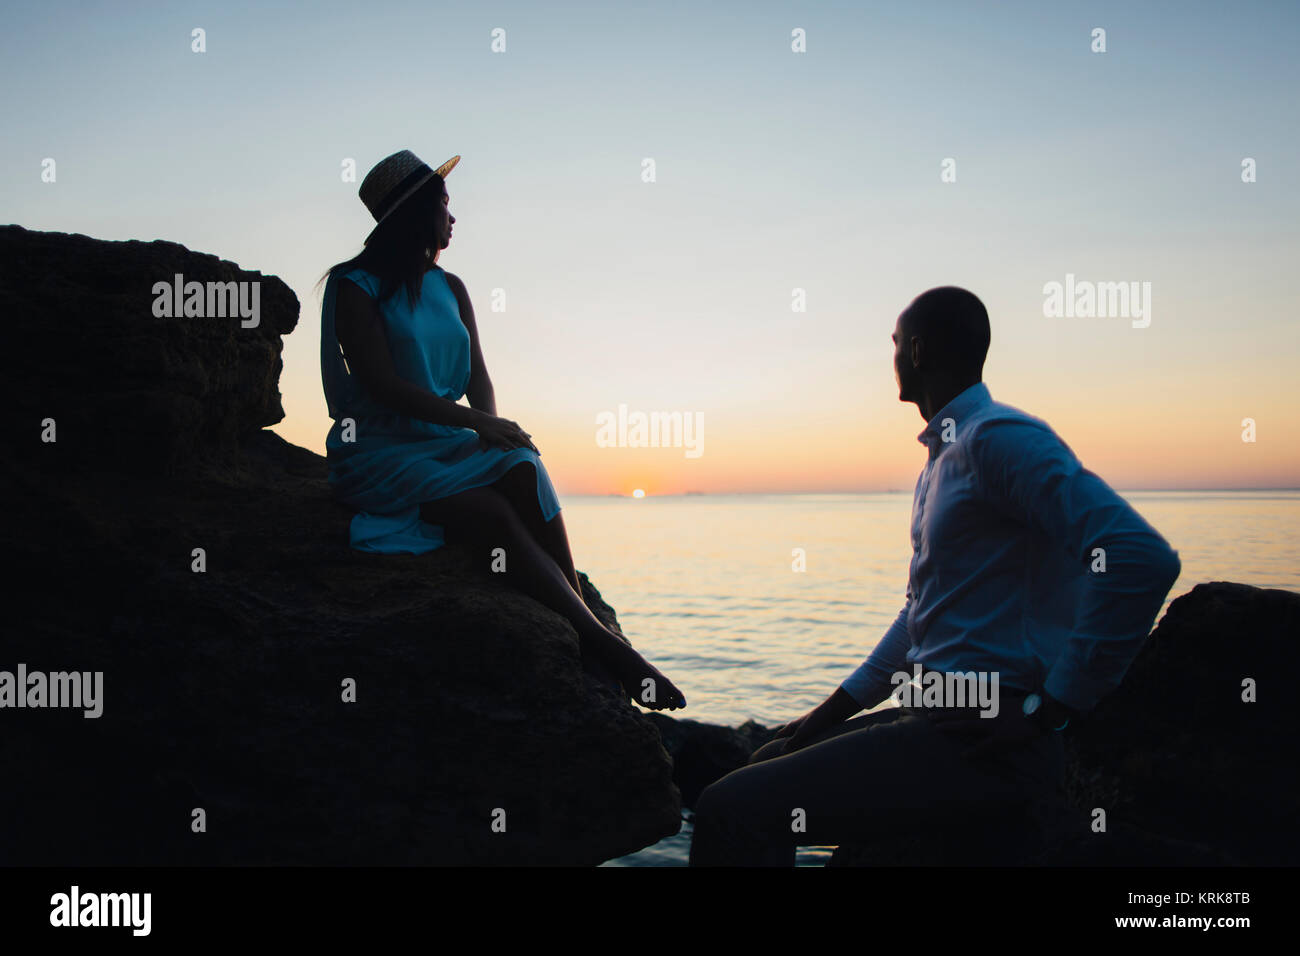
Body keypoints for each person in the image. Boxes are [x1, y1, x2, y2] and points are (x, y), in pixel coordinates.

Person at [689, 286, 1181, 865]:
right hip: (935, 714)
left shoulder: (998, 439)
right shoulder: (943, 460)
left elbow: (1139, 556)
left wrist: (1049, 710)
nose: (892, 356)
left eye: (896, 344)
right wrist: (823, 717)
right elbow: (917, 615)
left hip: (979, 737)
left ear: (918, 351)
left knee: (730, 808)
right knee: (764, 760)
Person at [316, 149, 685, 711]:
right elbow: (383, 386)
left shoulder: (452, 286)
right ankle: (606, 647)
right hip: (381, 447)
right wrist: (478, 422)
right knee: (490, 514)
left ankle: (583, 616)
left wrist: (491, 432)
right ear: (415, 213)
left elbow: (479, 378)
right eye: (444, 203)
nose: (453, 216)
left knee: (522, 465)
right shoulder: (354, 285)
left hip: (446, 439)